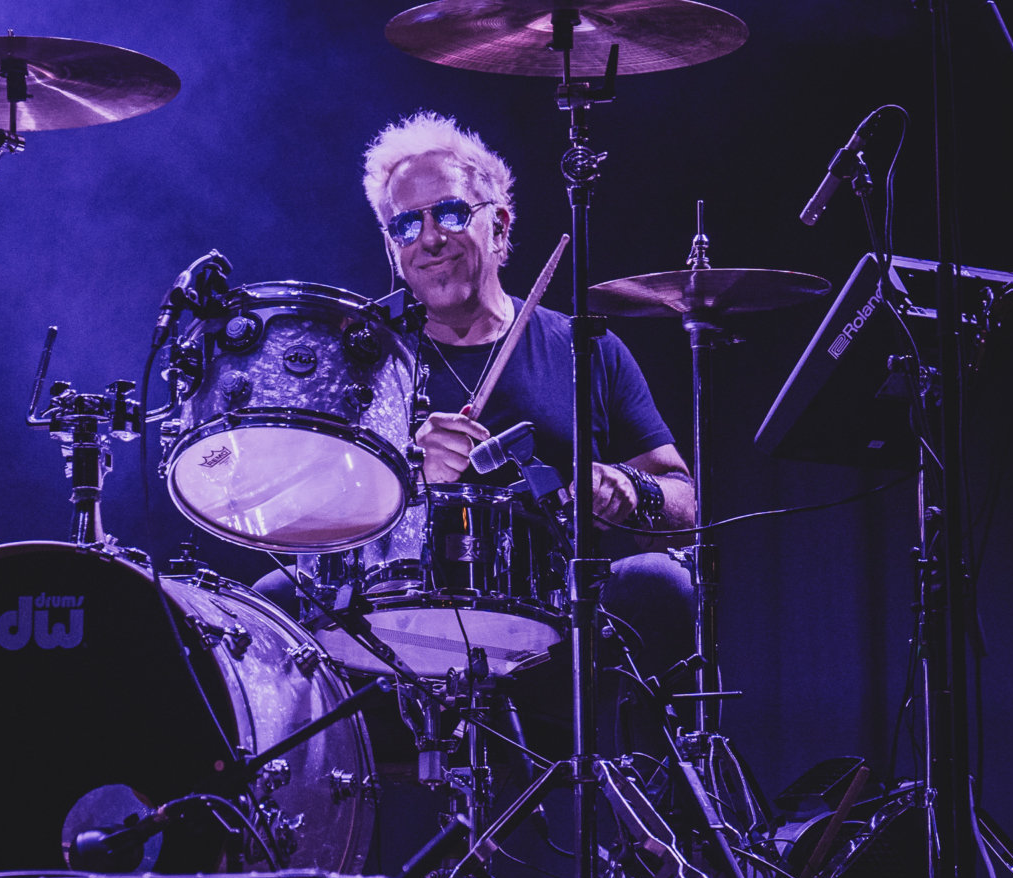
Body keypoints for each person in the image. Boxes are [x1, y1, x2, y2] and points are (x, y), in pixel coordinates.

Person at [259, 112, 697, 729]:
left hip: (561, 613)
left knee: (661, 584)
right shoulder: (360, 360)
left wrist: (632, 490)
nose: (429, 239)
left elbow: (685, 501)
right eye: (405, 225)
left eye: (451, 213)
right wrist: (408, 480)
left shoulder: (585, 348)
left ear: (499, 225)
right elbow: (306, 523)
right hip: (396, 619)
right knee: (270, 607)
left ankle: (652, 818)